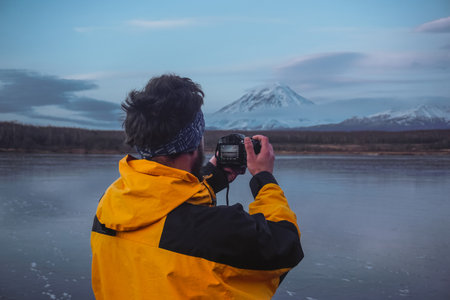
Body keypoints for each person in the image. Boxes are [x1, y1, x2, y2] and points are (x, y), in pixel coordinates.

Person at [91, 74, 304, 299]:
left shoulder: (110, 204)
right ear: (194, 143)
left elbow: (167, 210)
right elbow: (285, 244)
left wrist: (212, 177)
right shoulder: (217, 230)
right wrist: (264, 178)